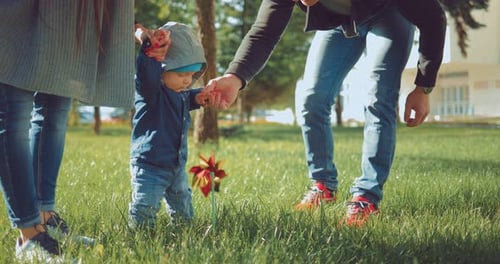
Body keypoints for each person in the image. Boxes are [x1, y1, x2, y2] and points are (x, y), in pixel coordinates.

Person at [201, 0, 446, 226]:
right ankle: (323, 185)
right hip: (339, 24)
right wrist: (235, 77)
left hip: (389, 14)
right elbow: (264, 32)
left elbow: (434, 18)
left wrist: (423, 87)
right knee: (311, 97)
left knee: (379, 97)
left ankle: (366, 198)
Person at [0, 1, 168, 261]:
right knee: (14, 113)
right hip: (17, 13)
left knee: (54, 111)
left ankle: (45, 218)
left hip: (66, 20)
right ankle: (29, 235)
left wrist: (136, 30)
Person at [128, 22, 208, 229]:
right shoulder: (150, 93)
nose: (187, 81)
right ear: (162, 70)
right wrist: (151, 55)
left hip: (176, 164)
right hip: (150, 165)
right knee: (146, 205)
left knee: (182, 201)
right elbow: (147, 74)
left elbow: (185, 98)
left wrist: (198, 97)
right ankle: (141, 236)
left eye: (191, 76)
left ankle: (184, 230)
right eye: (181, 75)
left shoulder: (180, 94)